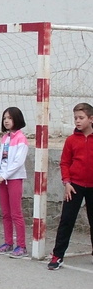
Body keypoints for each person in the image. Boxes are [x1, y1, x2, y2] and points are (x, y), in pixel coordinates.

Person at [48, 102, 93, 270]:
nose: (78, 121)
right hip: (74, 186)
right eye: (75, 118)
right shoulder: (71, 140)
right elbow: (65, 162)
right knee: (67, 220)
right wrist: (66, 182)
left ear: (91, 119)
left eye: (81, 118)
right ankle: (57, 255)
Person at [0, 107, 29, 258]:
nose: (6, 121)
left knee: (16, 213)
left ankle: (21, 245)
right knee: (6, 213)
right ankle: (8, 242)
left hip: (14, 179)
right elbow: (1, 158)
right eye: (4, 118)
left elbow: (18, 162)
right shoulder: (5, 138)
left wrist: (5, 176)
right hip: (2, 179)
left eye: (9, 118)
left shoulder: (21, 139)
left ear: (17, 119)